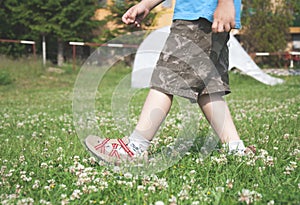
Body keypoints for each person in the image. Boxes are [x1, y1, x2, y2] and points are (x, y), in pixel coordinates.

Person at [85, 0, 255, 164]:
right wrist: (146, 4)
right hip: (207, 15)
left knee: (165, 80)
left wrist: (225, 3)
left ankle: (135, 147)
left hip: (199, 15)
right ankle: (236, 149)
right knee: (209, 88)